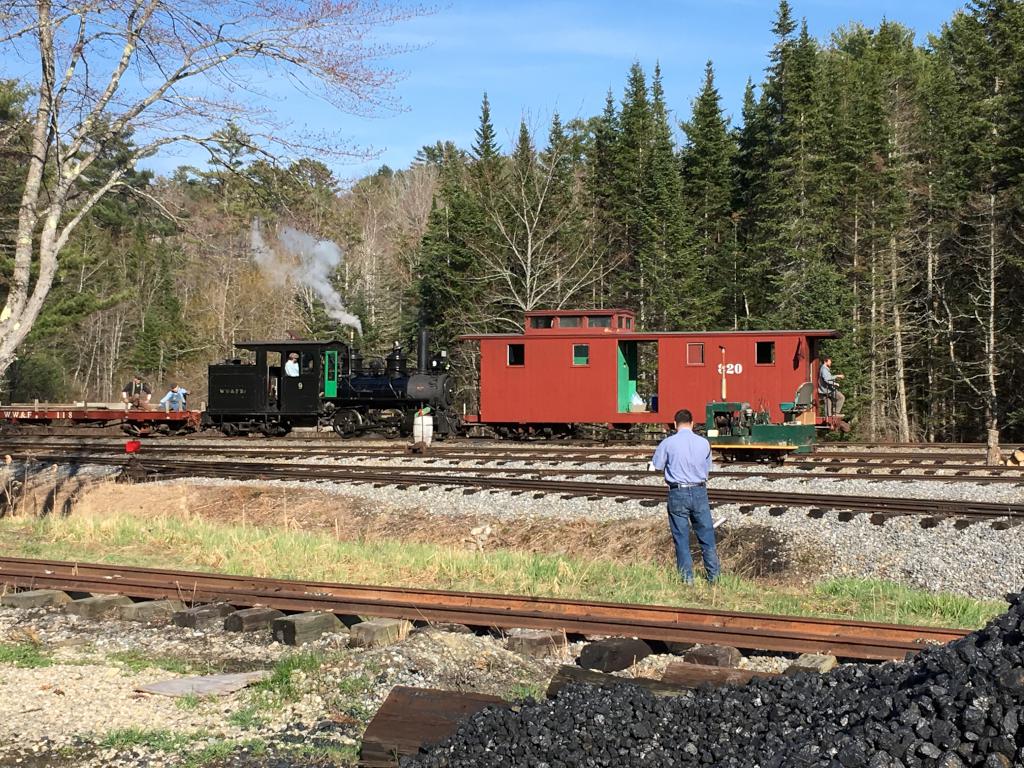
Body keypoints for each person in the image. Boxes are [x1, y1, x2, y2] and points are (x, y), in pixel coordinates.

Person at [650, 408, 720, 585]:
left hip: (677, 492)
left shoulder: (667, 443)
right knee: (707, 536)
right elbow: (707, 469)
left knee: (681, 538)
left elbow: (657, 465)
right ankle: (714, 578)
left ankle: (687, 579)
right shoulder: (704, 443)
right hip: (699, 491)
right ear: (692, 423)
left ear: (675, 424)